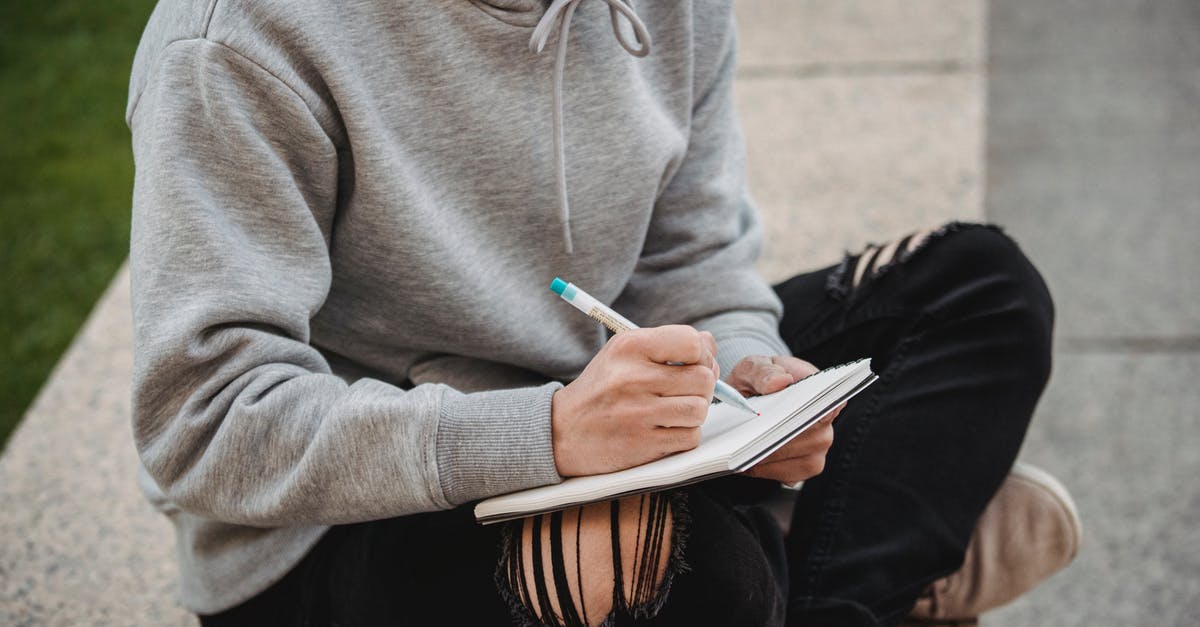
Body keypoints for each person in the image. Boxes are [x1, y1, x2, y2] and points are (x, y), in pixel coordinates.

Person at [126, 1, 1079, 625]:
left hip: (601, 413)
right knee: (703, 579)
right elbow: (204, 421)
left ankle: (820, 568)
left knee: (978, 287)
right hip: (348, 518)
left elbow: (696, 258)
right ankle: (867, 558)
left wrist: (752, 370)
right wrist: (545, 433)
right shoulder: (238, 42)